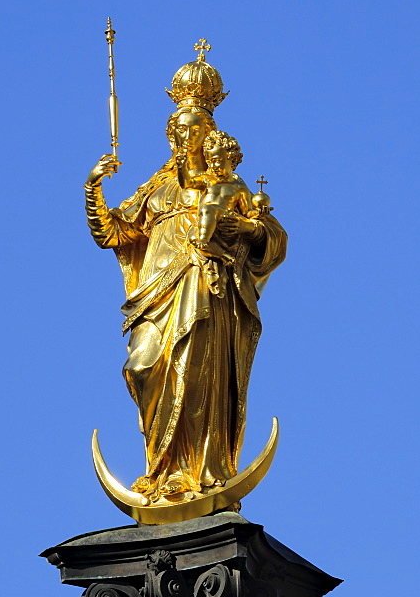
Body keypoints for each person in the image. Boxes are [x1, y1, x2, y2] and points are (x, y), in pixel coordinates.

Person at [85, 82, 287, 505]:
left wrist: (245, 228)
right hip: (157, 293)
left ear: (207, 133)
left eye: (191, 130)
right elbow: (113, 232)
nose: (182, 137)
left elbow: (273, 237)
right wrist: (93, 189)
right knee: (142, 369)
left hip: (204, 285)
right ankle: (160, 469)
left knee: (195, 375)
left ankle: (196, 471)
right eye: (176, 130)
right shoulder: (156, 189)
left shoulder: (226, 186)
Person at [189, 130, 253, 256]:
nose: (213, 166)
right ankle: (225, 257)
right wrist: (181, 166)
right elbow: (188, 183)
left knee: (209, 209)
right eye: (210, 161)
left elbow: (248, 211)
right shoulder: (206, 178)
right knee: (193, 238)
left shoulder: (239, 187)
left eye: (217, 160)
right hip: (196, 231)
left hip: (224, 223)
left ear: (231, 158)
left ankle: (205, 240)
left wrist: (255, 218)